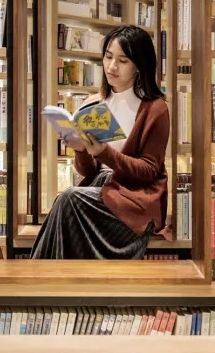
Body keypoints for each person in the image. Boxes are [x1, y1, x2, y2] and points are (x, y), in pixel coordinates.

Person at [31, 23, 170, 259]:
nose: (112, 66)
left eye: (123, 61)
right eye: (108, 57)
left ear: (139, 65)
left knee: (69, 199)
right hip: (101, 193)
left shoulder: (155, 109)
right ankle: (47, 275)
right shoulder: (93, 104)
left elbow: (148, 171)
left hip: (134, 200)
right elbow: (87, 171)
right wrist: (80, 150)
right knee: (68, 201)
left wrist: (104, 152)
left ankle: (39, 274)